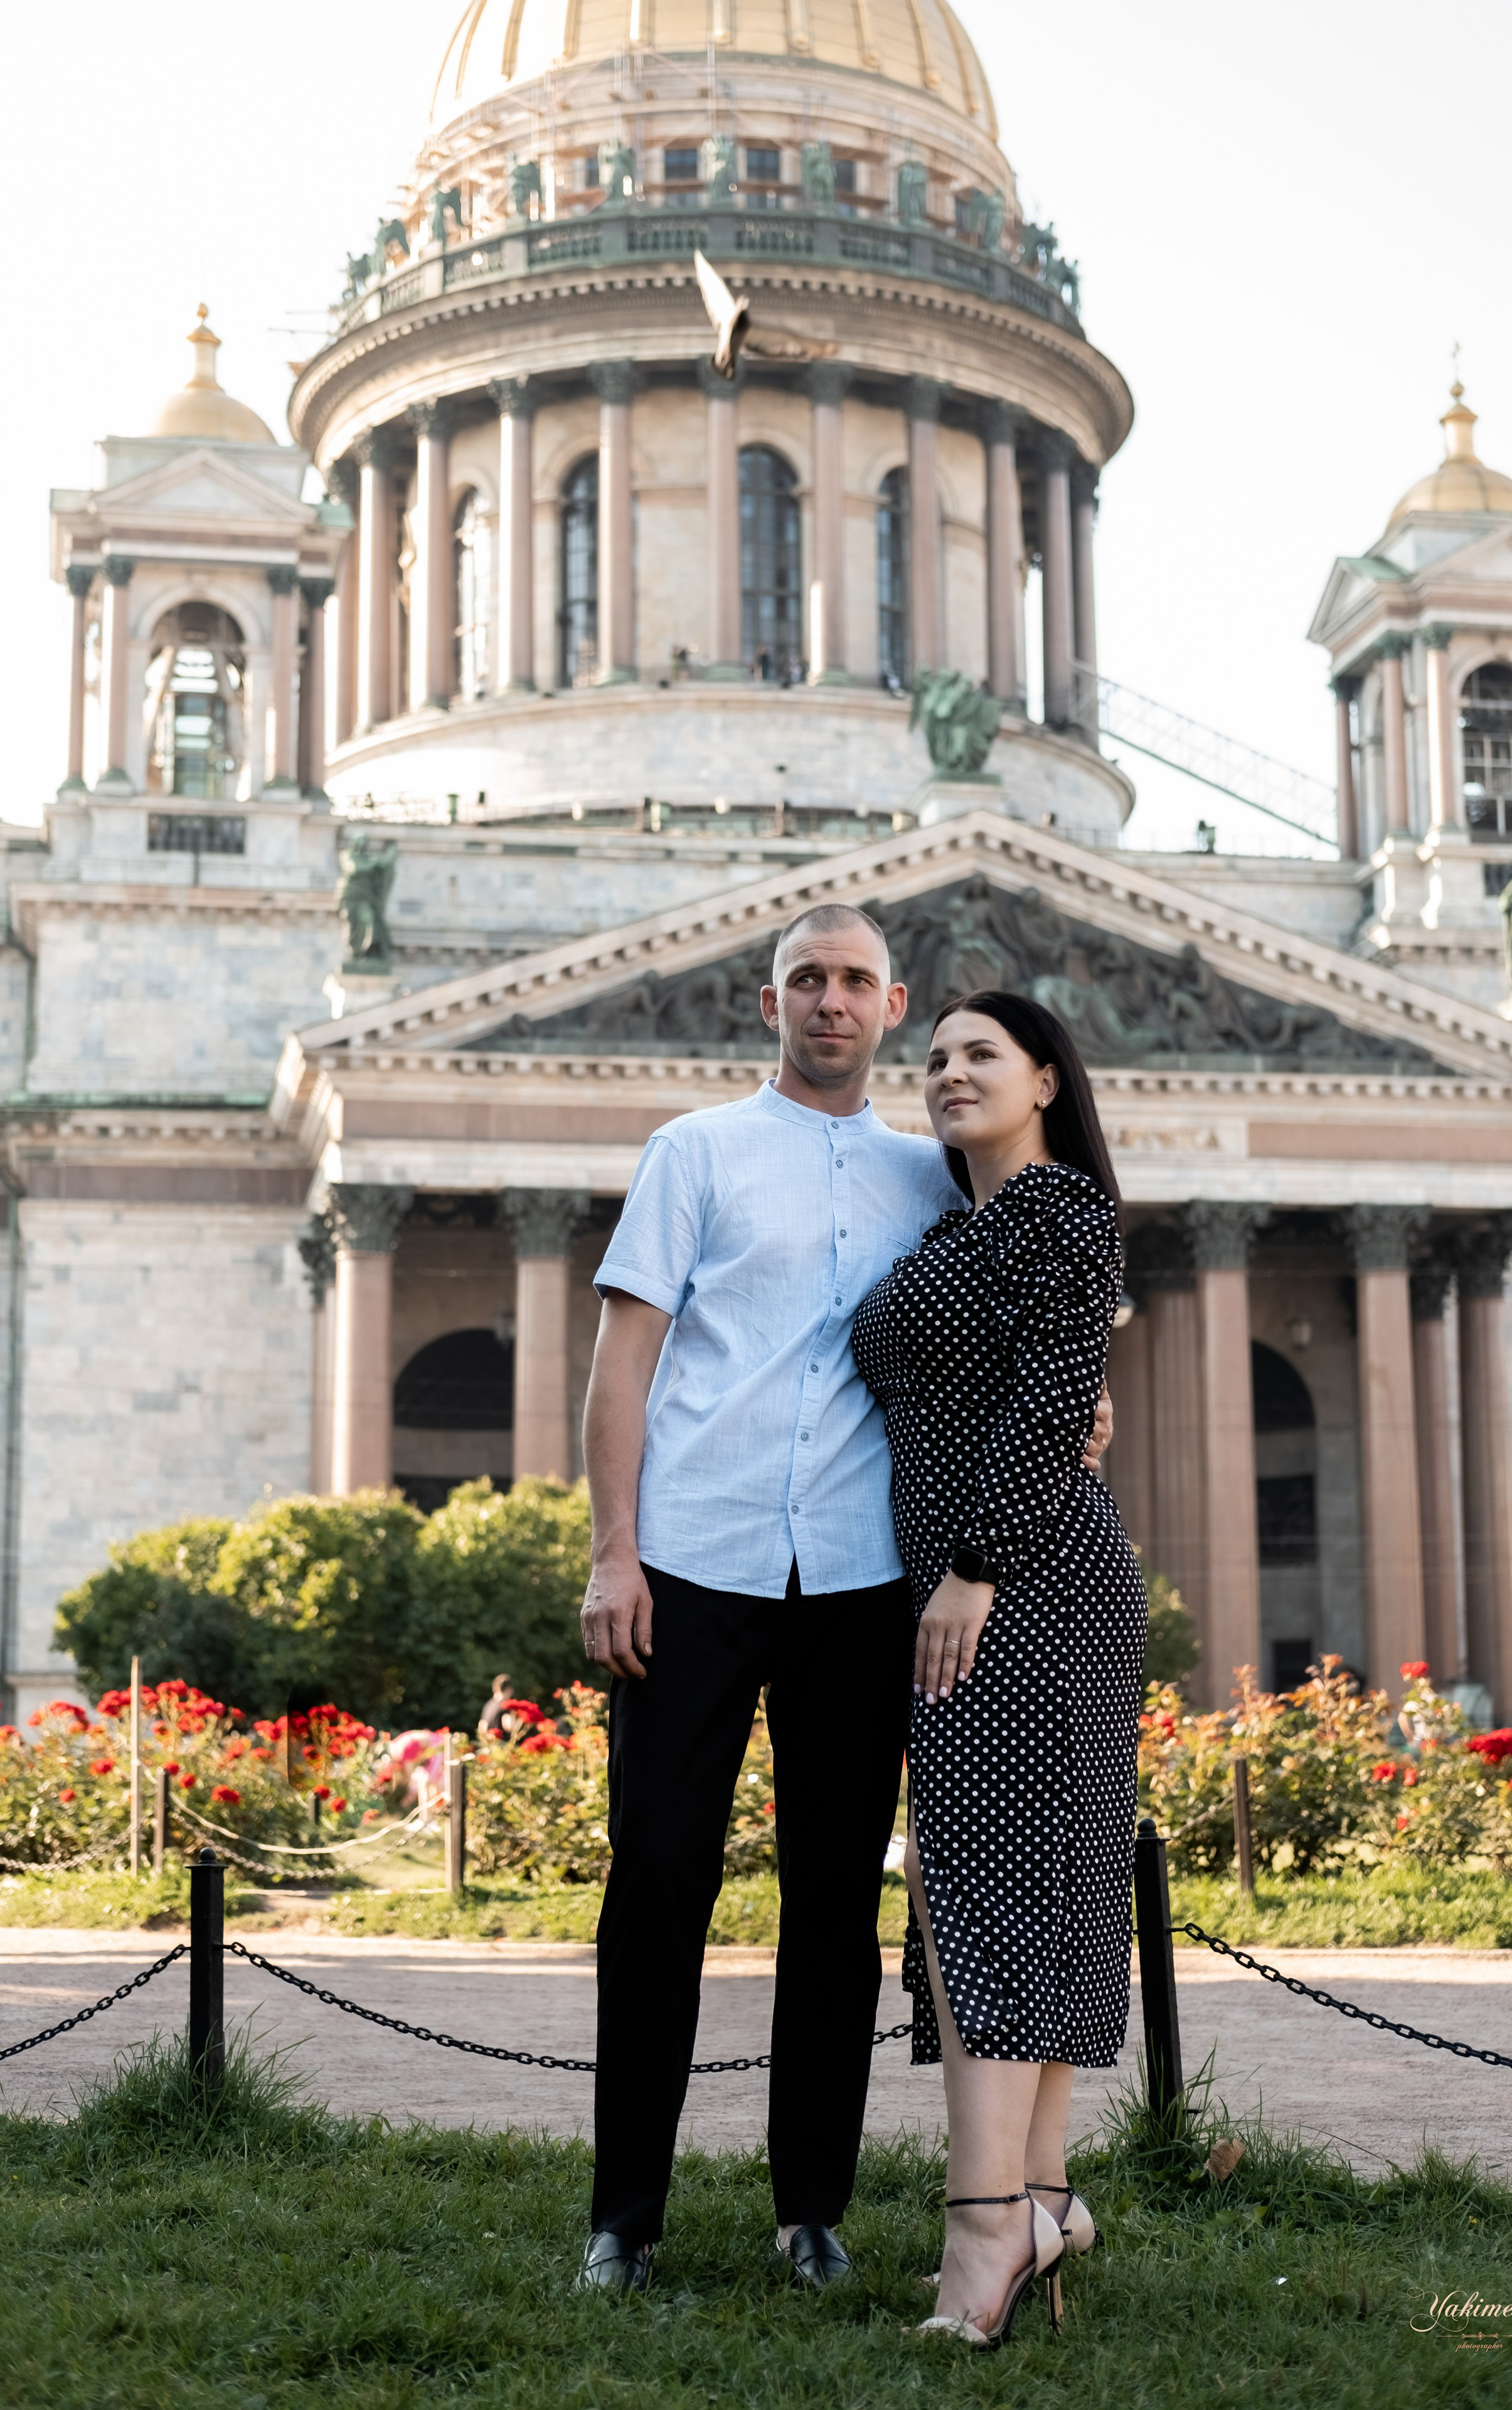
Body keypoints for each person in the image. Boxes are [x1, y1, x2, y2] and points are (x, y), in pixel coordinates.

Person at [575, 907, 1110, 2294]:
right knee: (657, 1892)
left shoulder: (933, 1178)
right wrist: (610, 1553)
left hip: (864, 1575)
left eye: (855, 983)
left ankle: (808, 2208)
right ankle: (621, 2218)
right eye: (806, 980)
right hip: (693, 1560)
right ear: (769, 1005)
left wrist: (1082, 1405)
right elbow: (621, 1362)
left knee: (833, 1907)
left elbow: (1031, 1312)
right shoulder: (690, 1151)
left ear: (891, 1007)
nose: (830, 1002)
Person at [852, 989, 1145, 2348]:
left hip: (1015, 1582)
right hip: (978, 1577)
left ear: (1043, 1076)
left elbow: (1043, 1404)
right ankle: (1034, 2198)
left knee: (984, 1887)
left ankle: (984, 2237)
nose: (947, 1073)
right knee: (1002, 1879)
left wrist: (973, 1565)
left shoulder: (1059, 1215)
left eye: (979, 1054)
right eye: (935, 1060)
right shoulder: (957, 1228)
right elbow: (1041, 1388)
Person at [477, 1673, 514, 1740]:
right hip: (503, 1746)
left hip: (490, 1746)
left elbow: (482, 1727)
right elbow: (509, 1726)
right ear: (509, 1690)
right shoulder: (506, 1706)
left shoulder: (488, 1705)